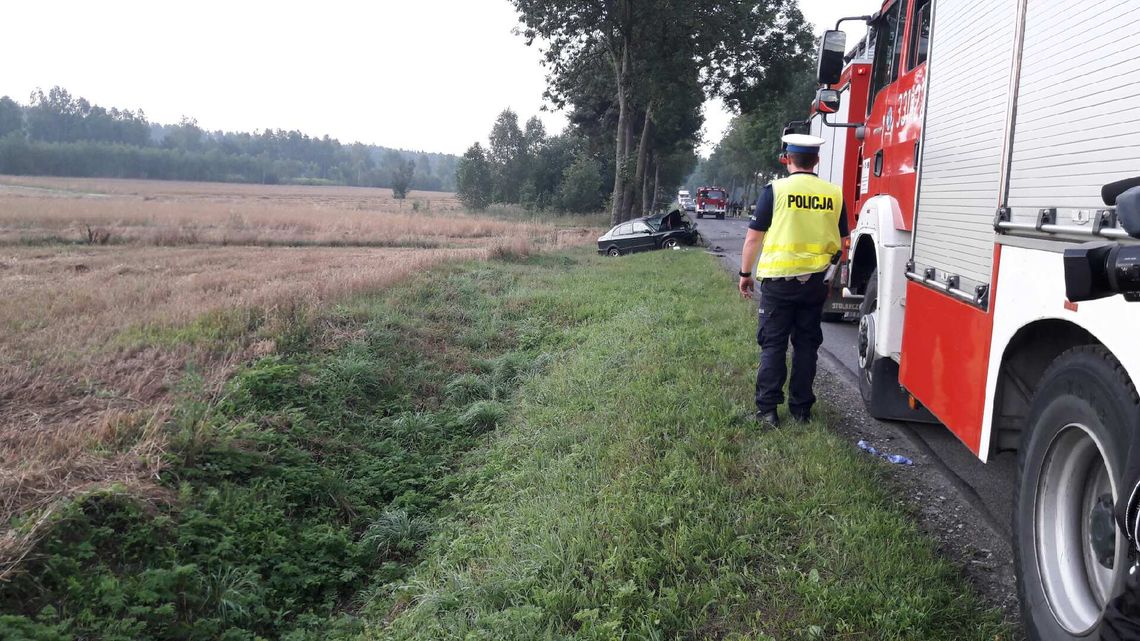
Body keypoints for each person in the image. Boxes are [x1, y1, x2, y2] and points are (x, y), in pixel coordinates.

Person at [738, 134, 849, 427]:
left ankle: (768, 412)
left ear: (788, 159)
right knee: (807, 346)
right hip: (815, 283)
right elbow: (844, 241)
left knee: (773, 344)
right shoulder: (834, 194)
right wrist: (830, 278)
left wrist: (745, 274)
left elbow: (753, 238)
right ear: (817, 160)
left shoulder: (775, 190)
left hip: (778, 283)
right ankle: (801, 412)